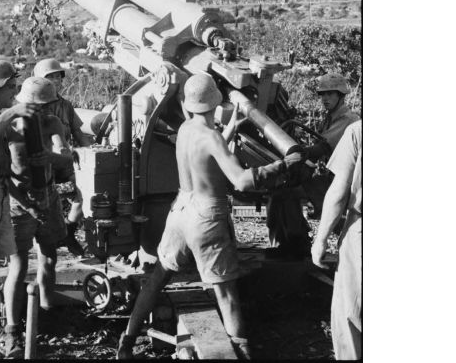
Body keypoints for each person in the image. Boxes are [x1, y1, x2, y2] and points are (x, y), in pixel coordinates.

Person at [117, 73, 304, 360]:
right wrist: (282, 165)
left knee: (157, 278)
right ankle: (241, 353)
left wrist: (229, 128)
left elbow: (205, 152)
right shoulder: (211, 137)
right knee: (226, 294)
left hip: (180, 210)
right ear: (215, 101)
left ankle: (126, 344)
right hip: (207, 216)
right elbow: (241, 181)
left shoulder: (185, 130)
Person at [1, 77, 74, 358]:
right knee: (18, 265)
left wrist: (51, 159)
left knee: (50, 256)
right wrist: (24, 201)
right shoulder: (8, 128)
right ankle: (12, 330)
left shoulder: (53, 124)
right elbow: (0, 174)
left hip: (49, 199)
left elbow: (65, 156)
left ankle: (46, 309)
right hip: (18, 205)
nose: (41, 112)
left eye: (46, 107)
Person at [266, 72, 360, 257]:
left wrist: (297, 154)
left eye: (330, 94)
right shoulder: (330, 118)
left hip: (345, 182)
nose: (325, 98)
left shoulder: (349, 120)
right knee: (282, 191)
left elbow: (321, 147)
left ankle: (298, 244)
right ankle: (293, 242)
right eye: (322, 94)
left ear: (340, 95)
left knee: (287, 192)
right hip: (331, 177)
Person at [312, 120, 362, 360]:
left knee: (350, 308)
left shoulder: (357, 130)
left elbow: (339, 190)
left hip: (361, 227)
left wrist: (320, 240)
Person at [33, 58, 93, 257]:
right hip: (40, 166)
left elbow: (77, 132)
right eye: (50, 77)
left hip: (64, 164)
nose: (56, 80)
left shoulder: (65, 105)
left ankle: (68, 232)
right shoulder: (31, 108)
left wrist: (91, 153)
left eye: (58, 76)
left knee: (85, 193)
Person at [0, 61, 39, 290]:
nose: (14, 92)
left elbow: (1, 172)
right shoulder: (1, 118)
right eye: (11, 87)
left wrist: (24, 201)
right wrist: (13, 112)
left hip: (0, 194)